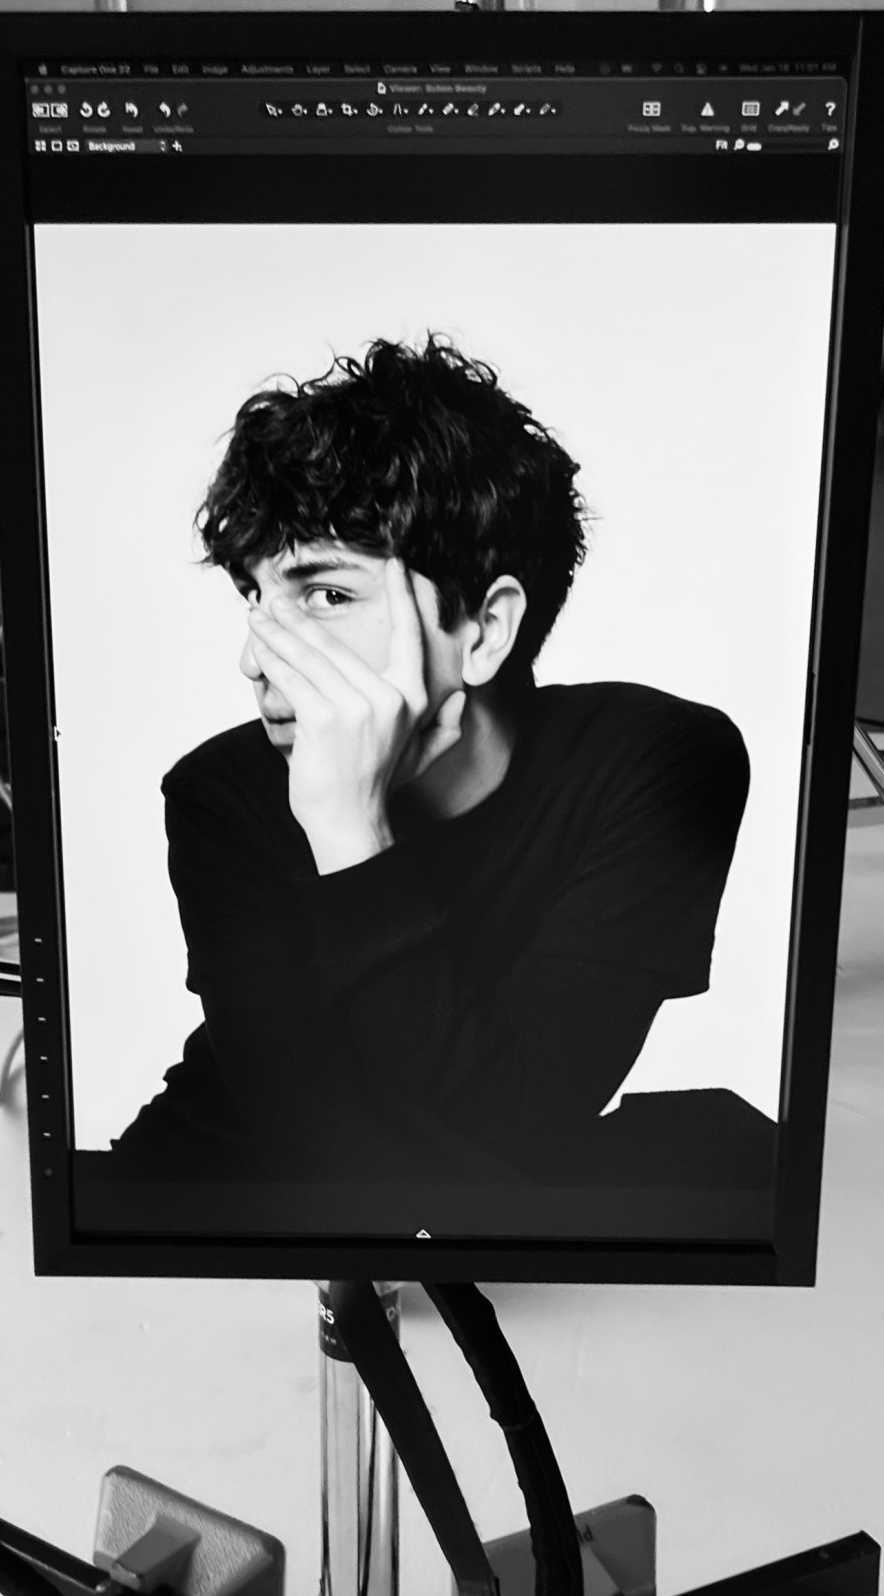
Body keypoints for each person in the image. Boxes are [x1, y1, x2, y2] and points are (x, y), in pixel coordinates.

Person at [112, 335, 750, 1185]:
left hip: (485, 1245)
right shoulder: (222, 795)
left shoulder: (658, 765)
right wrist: (338, 823)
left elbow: (516, 1132)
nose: (257, 658)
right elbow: (317, 1161)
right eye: (256, 597)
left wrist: (351, 833)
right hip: (214, 1211)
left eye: (328, 594)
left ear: (484, 628)